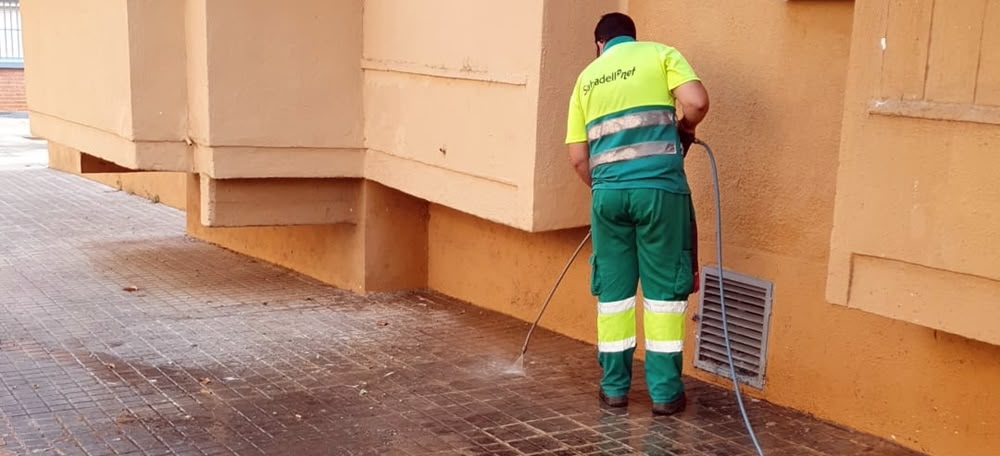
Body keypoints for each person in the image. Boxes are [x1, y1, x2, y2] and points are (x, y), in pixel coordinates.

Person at [564, 12, 709, 416]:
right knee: (663, 295)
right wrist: (683, 128)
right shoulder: (659, 55)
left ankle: (614, 389)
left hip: (607, 197)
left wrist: (607, 188)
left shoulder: (586, 79)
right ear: (632, 37)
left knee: (614, 296)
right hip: (660, 192)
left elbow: (578, 158)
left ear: (599, 44)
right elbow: (697, 101)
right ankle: (664, 395)